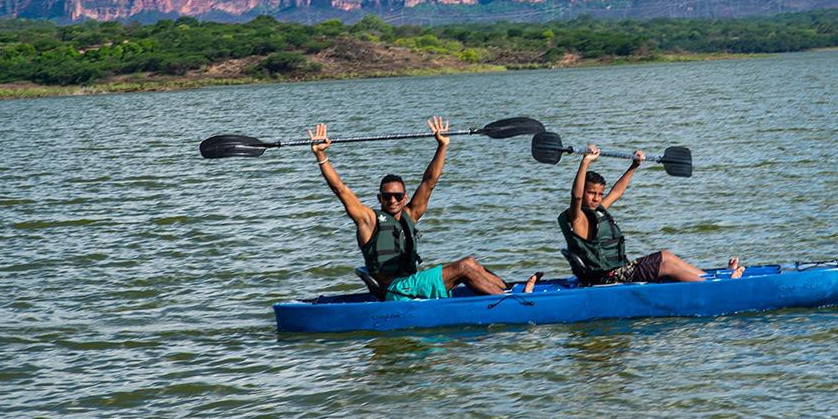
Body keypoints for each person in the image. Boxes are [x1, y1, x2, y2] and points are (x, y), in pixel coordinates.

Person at [307, 116, 519, 300]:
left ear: (404, 197)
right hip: (398, 291)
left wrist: (442, 146)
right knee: (463, 266)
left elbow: (429, 182)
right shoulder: (368, 220)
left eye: (397, 196)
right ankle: (512, 305)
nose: (392, 200)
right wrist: (321, 156)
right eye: (387, 196)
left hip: (412, 284)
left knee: (471, 263)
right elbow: (340, 189)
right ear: (379, 198)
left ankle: (511, 293)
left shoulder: (410, 214)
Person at [558, 144, 743, 285]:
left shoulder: (596, 210)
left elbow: (616, 192)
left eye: (599, 194)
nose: (597, 198)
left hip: (621, 269)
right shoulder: (578, 218)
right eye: (591, 193)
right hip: (607, 278)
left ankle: (711, 279)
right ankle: (714, 287)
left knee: (666, 256)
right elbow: (576, 196)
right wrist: (585, 162)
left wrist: (634, 166)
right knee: (666, 267)